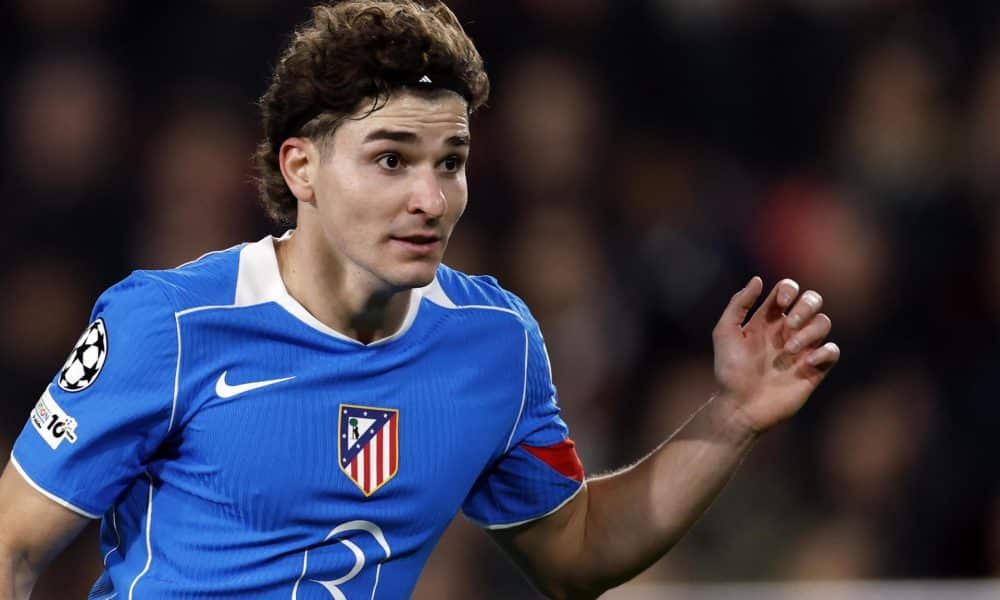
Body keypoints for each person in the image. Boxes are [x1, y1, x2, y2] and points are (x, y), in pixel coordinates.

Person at [0, 1, 840, 598]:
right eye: (392, 159)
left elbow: (578, 551)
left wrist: (731, 416)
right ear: (302, 170)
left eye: (451, 161)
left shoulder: (495, 344)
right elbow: (11, 548)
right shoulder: (166, 326)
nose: (431, 199)